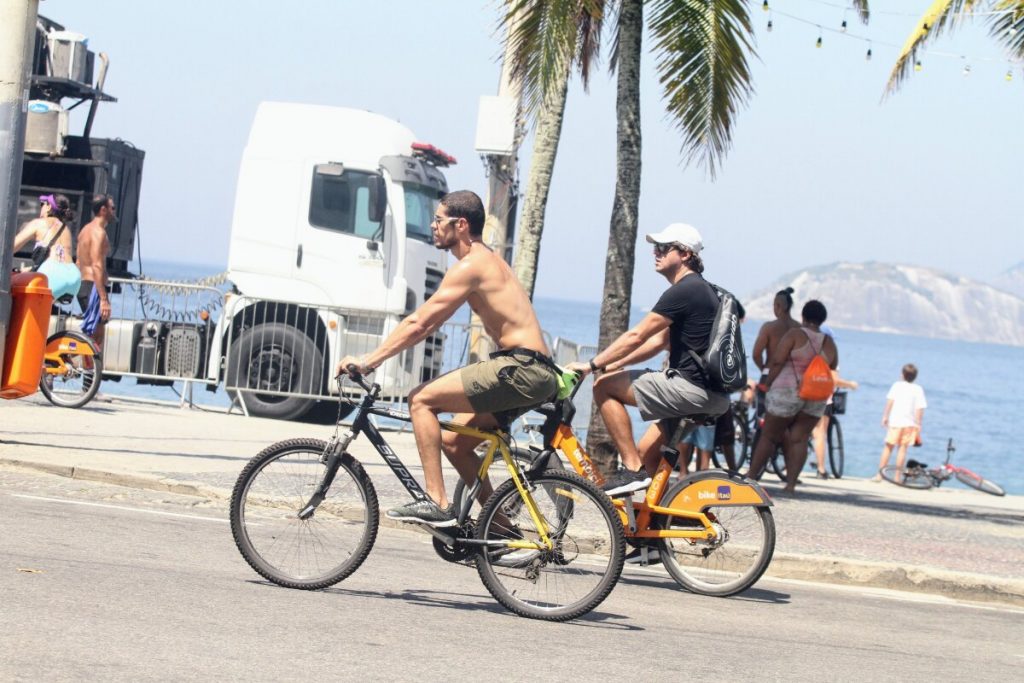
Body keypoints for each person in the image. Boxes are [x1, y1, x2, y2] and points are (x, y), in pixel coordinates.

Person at [336, 190, 558, 527]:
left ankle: (437, 502)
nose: (433, 225)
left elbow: (421, 322)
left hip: (520, 368)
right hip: (532, 370)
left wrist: (370, 361)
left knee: (421, 400)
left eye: (439, 220)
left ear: (461, 224)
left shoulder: (472, 266)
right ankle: (500, 531)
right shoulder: (488, 260)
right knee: (454, 444)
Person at [567, 223, 730, 496]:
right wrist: (612, 362)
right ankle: (659, 523)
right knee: (648, 453)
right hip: (713, 396)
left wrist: (591, 366)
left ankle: (632, 471)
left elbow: (637, 335)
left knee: (604, 387)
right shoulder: (705, 291)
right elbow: (658, 342)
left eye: (664, 248)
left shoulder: (684, 290)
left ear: (686, 254)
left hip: (690, 389)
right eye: (656, 247)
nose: (656, 252)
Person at [746, 300, 838, 496]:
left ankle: (751, 478)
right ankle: (791, 484)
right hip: (815, 395)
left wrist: (767, 382)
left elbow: (778, 360)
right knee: (800, 438)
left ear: (803, 317)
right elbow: (832, 365)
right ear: (822, 319)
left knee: (769, 435)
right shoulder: (828, 342)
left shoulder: (795, 334)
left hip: (787, 391)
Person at [12, 194, 81, 301]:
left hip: (52, 275)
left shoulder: (38, 223)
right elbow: (59, 261)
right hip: (73, 276)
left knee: (12, 286)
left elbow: (9, 248)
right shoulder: (66, 229)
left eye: (42, 204)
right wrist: (27, 270)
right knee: (43, 311)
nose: (41, 208)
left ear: (49, 207)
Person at [873, 364, 927, 482]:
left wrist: (885, 416)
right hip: (910, 424)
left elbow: (890, 402)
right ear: (915, 377)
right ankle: (897, 477)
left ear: (902, 375)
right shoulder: (918, 389)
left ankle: (879, 475)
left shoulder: (897, 386)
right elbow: (920, 408)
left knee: (888, 448)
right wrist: (918, 424)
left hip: (896, 422)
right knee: (902, 449)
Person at [752, 287, 800, 417]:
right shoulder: (800, 328)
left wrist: (763, 369)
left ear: (779, 306)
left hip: (770, 376)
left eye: (774, 305)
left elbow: (756, 354)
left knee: (763, 418)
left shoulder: (769, 327)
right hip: (793, 379)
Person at [77, 194, 115, 346]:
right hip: (93, 286)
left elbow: (78, 261)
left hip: (84, 284)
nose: (114, 211)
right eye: (112, 208)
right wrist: (103, 299)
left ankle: (88, 368)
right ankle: (89, 368)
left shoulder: (84, 230)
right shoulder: (99, 233)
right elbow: (97, 265)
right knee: (96, 337)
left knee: (91, 334)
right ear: (103, 209)